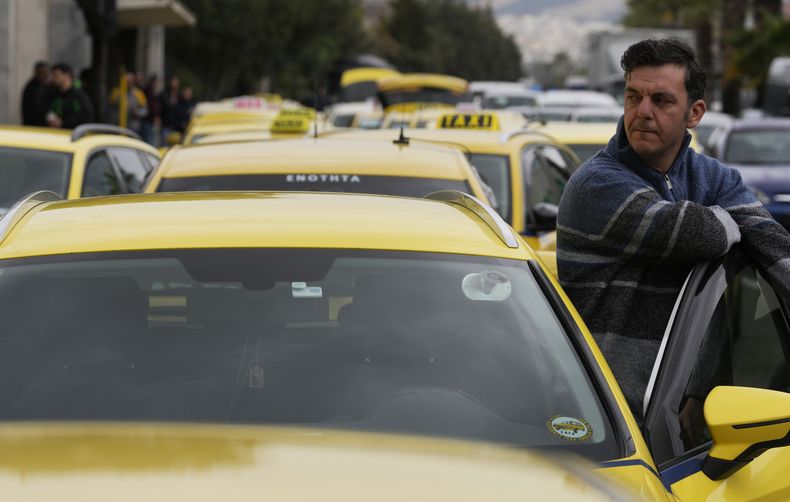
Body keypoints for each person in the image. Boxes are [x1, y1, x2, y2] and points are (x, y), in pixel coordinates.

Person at [556, 39, 790, 427]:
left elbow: (774, 248)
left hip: (678, 414)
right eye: (633, 97)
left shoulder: (714, 176)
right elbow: (699, 234)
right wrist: (728, 221)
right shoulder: (596, 185)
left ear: (694, 113)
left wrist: (699, 391)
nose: (642, 112)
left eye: (661, 100)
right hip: (603, 415)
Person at [46, 62, 94, 129]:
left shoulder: (79, 95)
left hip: (74, 132)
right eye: (53, 76)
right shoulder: (53, 93)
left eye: (56, 76)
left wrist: (63, 122)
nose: (53, 79)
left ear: (67, 75)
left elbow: (87, 115)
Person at [109, 71, 148, 135]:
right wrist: (115, 117)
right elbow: (109, 109)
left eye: (130, 82)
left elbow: (145, 110)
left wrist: (137, 112)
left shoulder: (138, 93)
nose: (128, 83)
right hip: (117, 126)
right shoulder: (116, 92)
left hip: (133, 127)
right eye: (126, 81)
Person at [21, 61, 51, 126]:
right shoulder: (32, 89)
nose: (45, 75)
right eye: (42, 73)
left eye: (47, 73)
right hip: (34, 125)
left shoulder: (48, 86)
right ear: (36, 73)